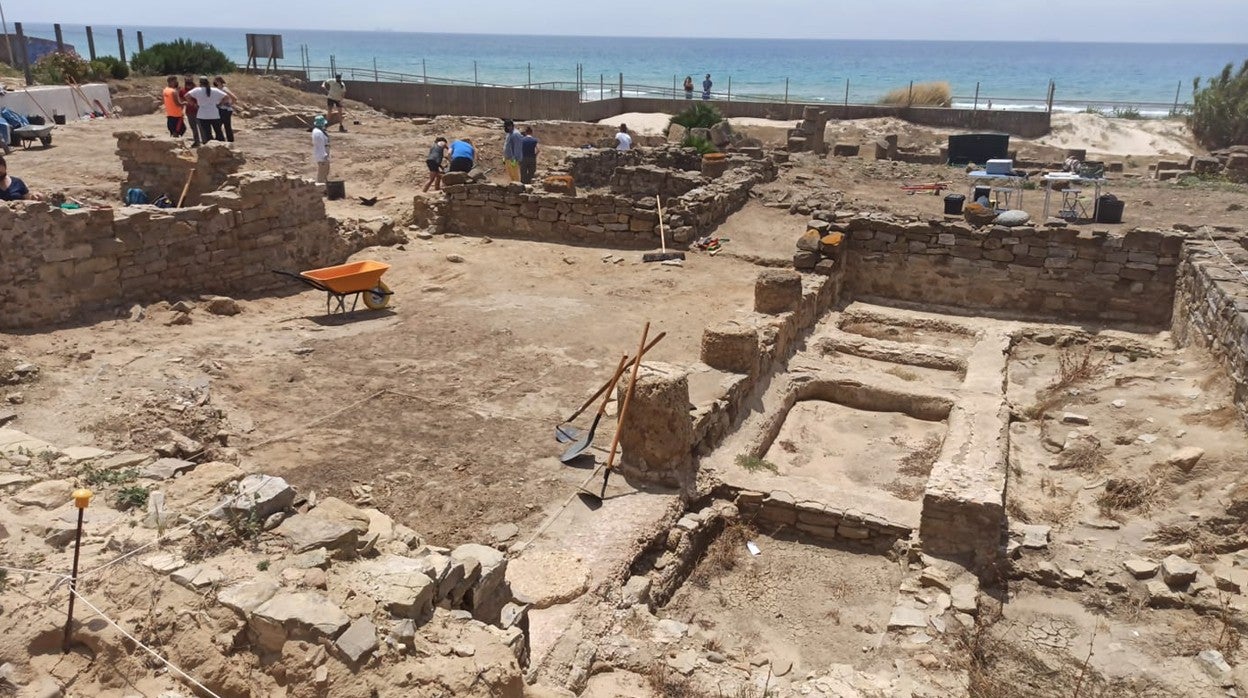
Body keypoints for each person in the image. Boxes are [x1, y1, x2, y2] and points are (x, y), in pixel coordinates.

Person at [187, 76, 227, 143]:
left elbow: (186, 96)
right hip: (214, 114)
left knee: (207, 133)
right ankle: (222, 146)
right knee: (218, 131)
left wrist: (194, 104)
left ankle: (209, 147)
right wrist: (220, 104)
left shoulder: (197, 90)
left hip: (202, 115)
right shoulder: (215, 90)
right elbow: (226, 97)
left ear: (200, 82)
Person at [212, 76, 237, 143]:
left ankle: (225, 139)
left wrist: (230, 104)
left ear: (219, 81)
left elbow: (234, 98)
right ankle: (225, 139)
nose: (214, 82)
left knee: (222, 125)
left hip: (225, 110)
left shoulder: (224, 89)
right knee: (221, 125)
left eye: (215, 81)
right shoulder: (217, 89)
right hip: (220, 109)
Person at [180, 76, 200, 146]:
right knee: (193, 127)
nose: (188, 84)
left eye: (189, 82)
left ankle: (205, 140)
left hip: (198, 111)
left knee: (201, 127)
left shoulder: (197, 89)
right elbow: (181, 99)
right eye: (187, 82)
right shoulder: (182, 90)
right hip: (189, 112)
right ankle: (197, 141)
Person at [311, 115, 331, 183]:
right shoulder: (318, 133)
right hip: (322, 155)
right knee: (322, 173)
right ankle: (321, 187)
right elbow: (320, 145)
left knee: (325, 172)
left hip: (324, 153)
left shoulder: (319, 131)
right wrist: (324, 155)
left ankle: (324, 187)